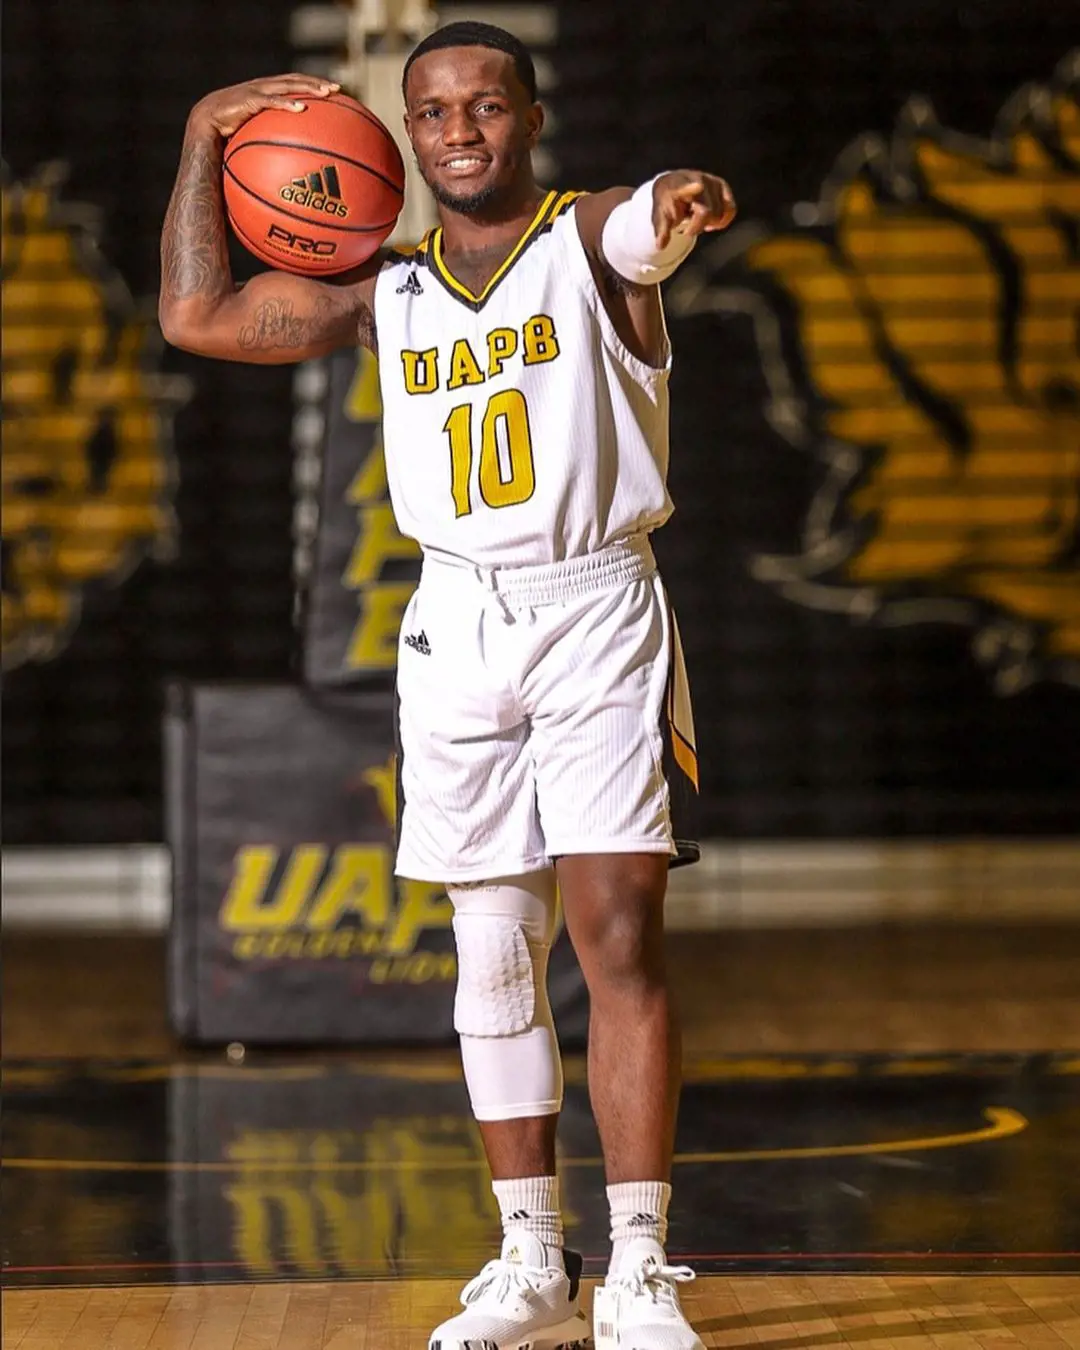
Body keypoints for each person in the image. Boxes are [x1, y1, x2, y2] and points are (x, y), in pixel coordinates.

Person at [160, 21, 735, 1350]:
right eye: (433, 111)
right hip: (454, 621)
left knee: (617, 931)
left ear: (529, 118)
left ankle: (640, 1262)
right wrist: (206, 133)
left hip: (595, 604)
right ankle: (532, 1258)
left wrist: (684, 200)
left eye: (486, 104)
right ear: (404, 134)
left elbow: (644, 222)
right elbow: (196, 313)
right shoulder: (387, 291)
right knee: (489, 947)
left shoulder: (585, 244)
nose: (460, 128)